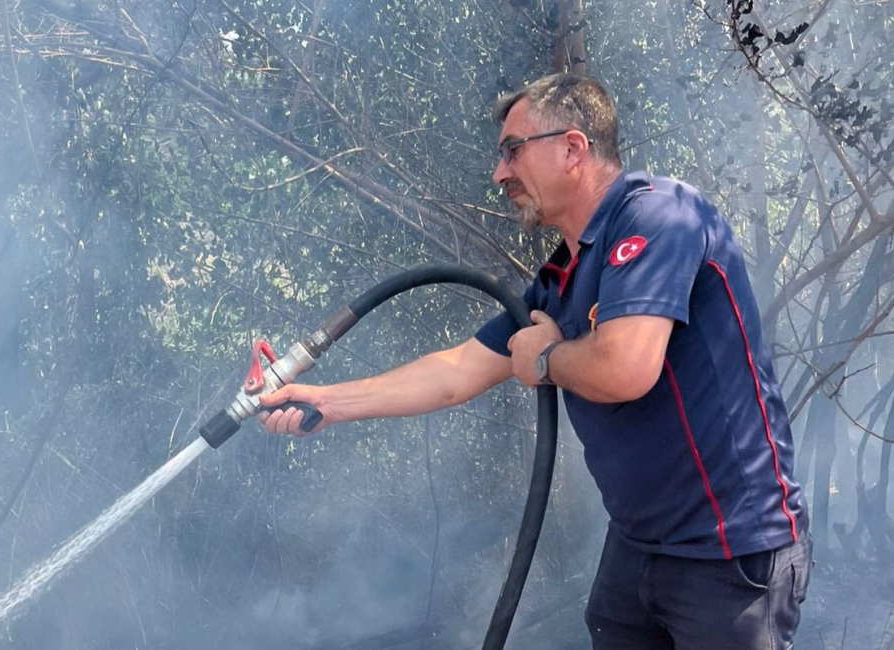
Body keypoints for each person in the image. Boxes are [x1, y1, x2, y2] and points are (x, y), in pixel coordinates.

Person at [259, 73, 811, 649]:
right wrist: (324, 401)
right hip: (640, 546)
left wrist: (545, 358)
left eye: (512, 150)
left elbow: (626, 368)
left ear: (573, 148)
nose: (500, 173)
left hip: (732, 552)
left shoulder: (662, 217)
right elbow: (456, 372)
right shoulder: (561, 278)